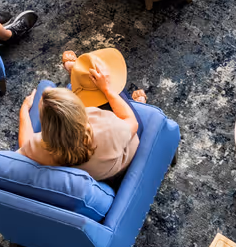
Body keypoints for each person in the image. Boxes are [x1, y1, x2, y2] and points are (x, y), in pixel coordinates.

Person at [17, 51, 149, 182]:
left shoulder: (44, 147)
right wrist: (107, 89)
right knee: (108, 86)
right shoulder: (106, 128)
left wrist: (24, 111)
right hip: (121, 164)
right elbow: (132, 123)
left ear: (46, 126)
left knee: (99, 89)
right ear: (82, 110)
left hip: (98, 175)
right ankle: (83, 79)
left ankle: (78, 78)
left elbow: (24, 144)